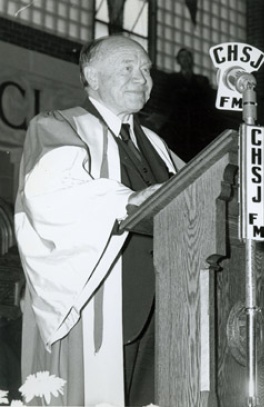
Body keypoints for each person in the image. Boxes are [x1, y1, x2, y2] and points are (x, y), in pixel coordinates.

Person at [14, 35, 184, 406]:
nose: (142, 77)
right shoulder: (60, 126)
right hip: (100, 309)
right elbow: (51, 195)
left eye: (145, 69)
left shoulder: (156, 144)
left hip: (166, 311)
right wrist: (128, 200)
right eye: (128, 67)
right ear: (91, 74)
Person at [159, 48, 218, 161]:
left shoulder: (201, 80)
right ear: (178, 61)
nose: (185, 59)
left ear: (191, 60)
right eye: (182, 57)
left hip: (196, 126)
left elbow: (208, 104)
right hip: (177, 124)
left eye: (187, 56)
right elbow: (165, 100)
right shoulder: (171, 80)